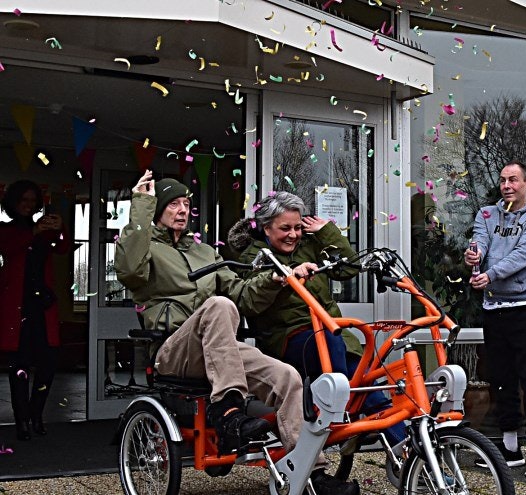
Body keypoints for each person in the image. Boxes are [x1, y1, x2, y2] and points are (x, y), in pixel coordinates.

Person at [114, 170, 358, 495]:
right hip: (174, 350)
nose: (183, 210)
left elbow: (242, 295)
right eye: (173, 204)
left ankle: (312, 475)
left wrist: (276, 279)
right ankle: (227, 411)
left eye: (187, 203)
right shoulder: (146, 251)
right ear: (157, 210)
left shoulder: (205, 253)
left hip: (217, 349)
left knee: (288, 378)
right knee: (218, 305)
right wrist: (140, 205)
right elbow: (129, 270)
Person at [228, 191, 405, 446]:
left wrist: (327, 231)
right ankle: (341, 413)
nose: (293, 235)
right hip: (289, 339)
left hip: (332, 337)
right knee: (338, 360)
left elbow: (347, 268)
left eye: (298, 227)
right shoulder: (253, 257)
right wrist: (282, 278)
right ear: (266, 228)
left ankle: (408, 452)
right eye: (285, 228)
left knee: (367, 385)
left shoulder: (308, 246)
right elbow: (248, 302)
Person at [465, 161, 526, 478]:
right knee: (501, 379)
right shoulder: (486, 214)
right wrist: (473, 254)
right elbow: (480, 242)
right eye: (502, 180)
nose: (506, 185)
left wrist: (490, 274)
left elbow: (523, 256)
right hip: (494, 309)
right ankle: (511, 448)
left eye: (513, 179)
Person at [0, 180, 70, 441]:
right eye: (23, 200)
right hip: (18, 308)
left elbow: (63, 247)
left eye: (32, 201)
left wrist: (60, 226)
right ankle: (21, 422)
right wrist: (34, 231)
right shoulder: (7, 229)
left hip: (43, 307)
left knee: (48, 364)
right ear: (13, 203)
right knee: (19, 367)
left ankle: (36, 414)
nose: (28, 205)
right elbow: (8, 246)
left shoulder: (43, 231)